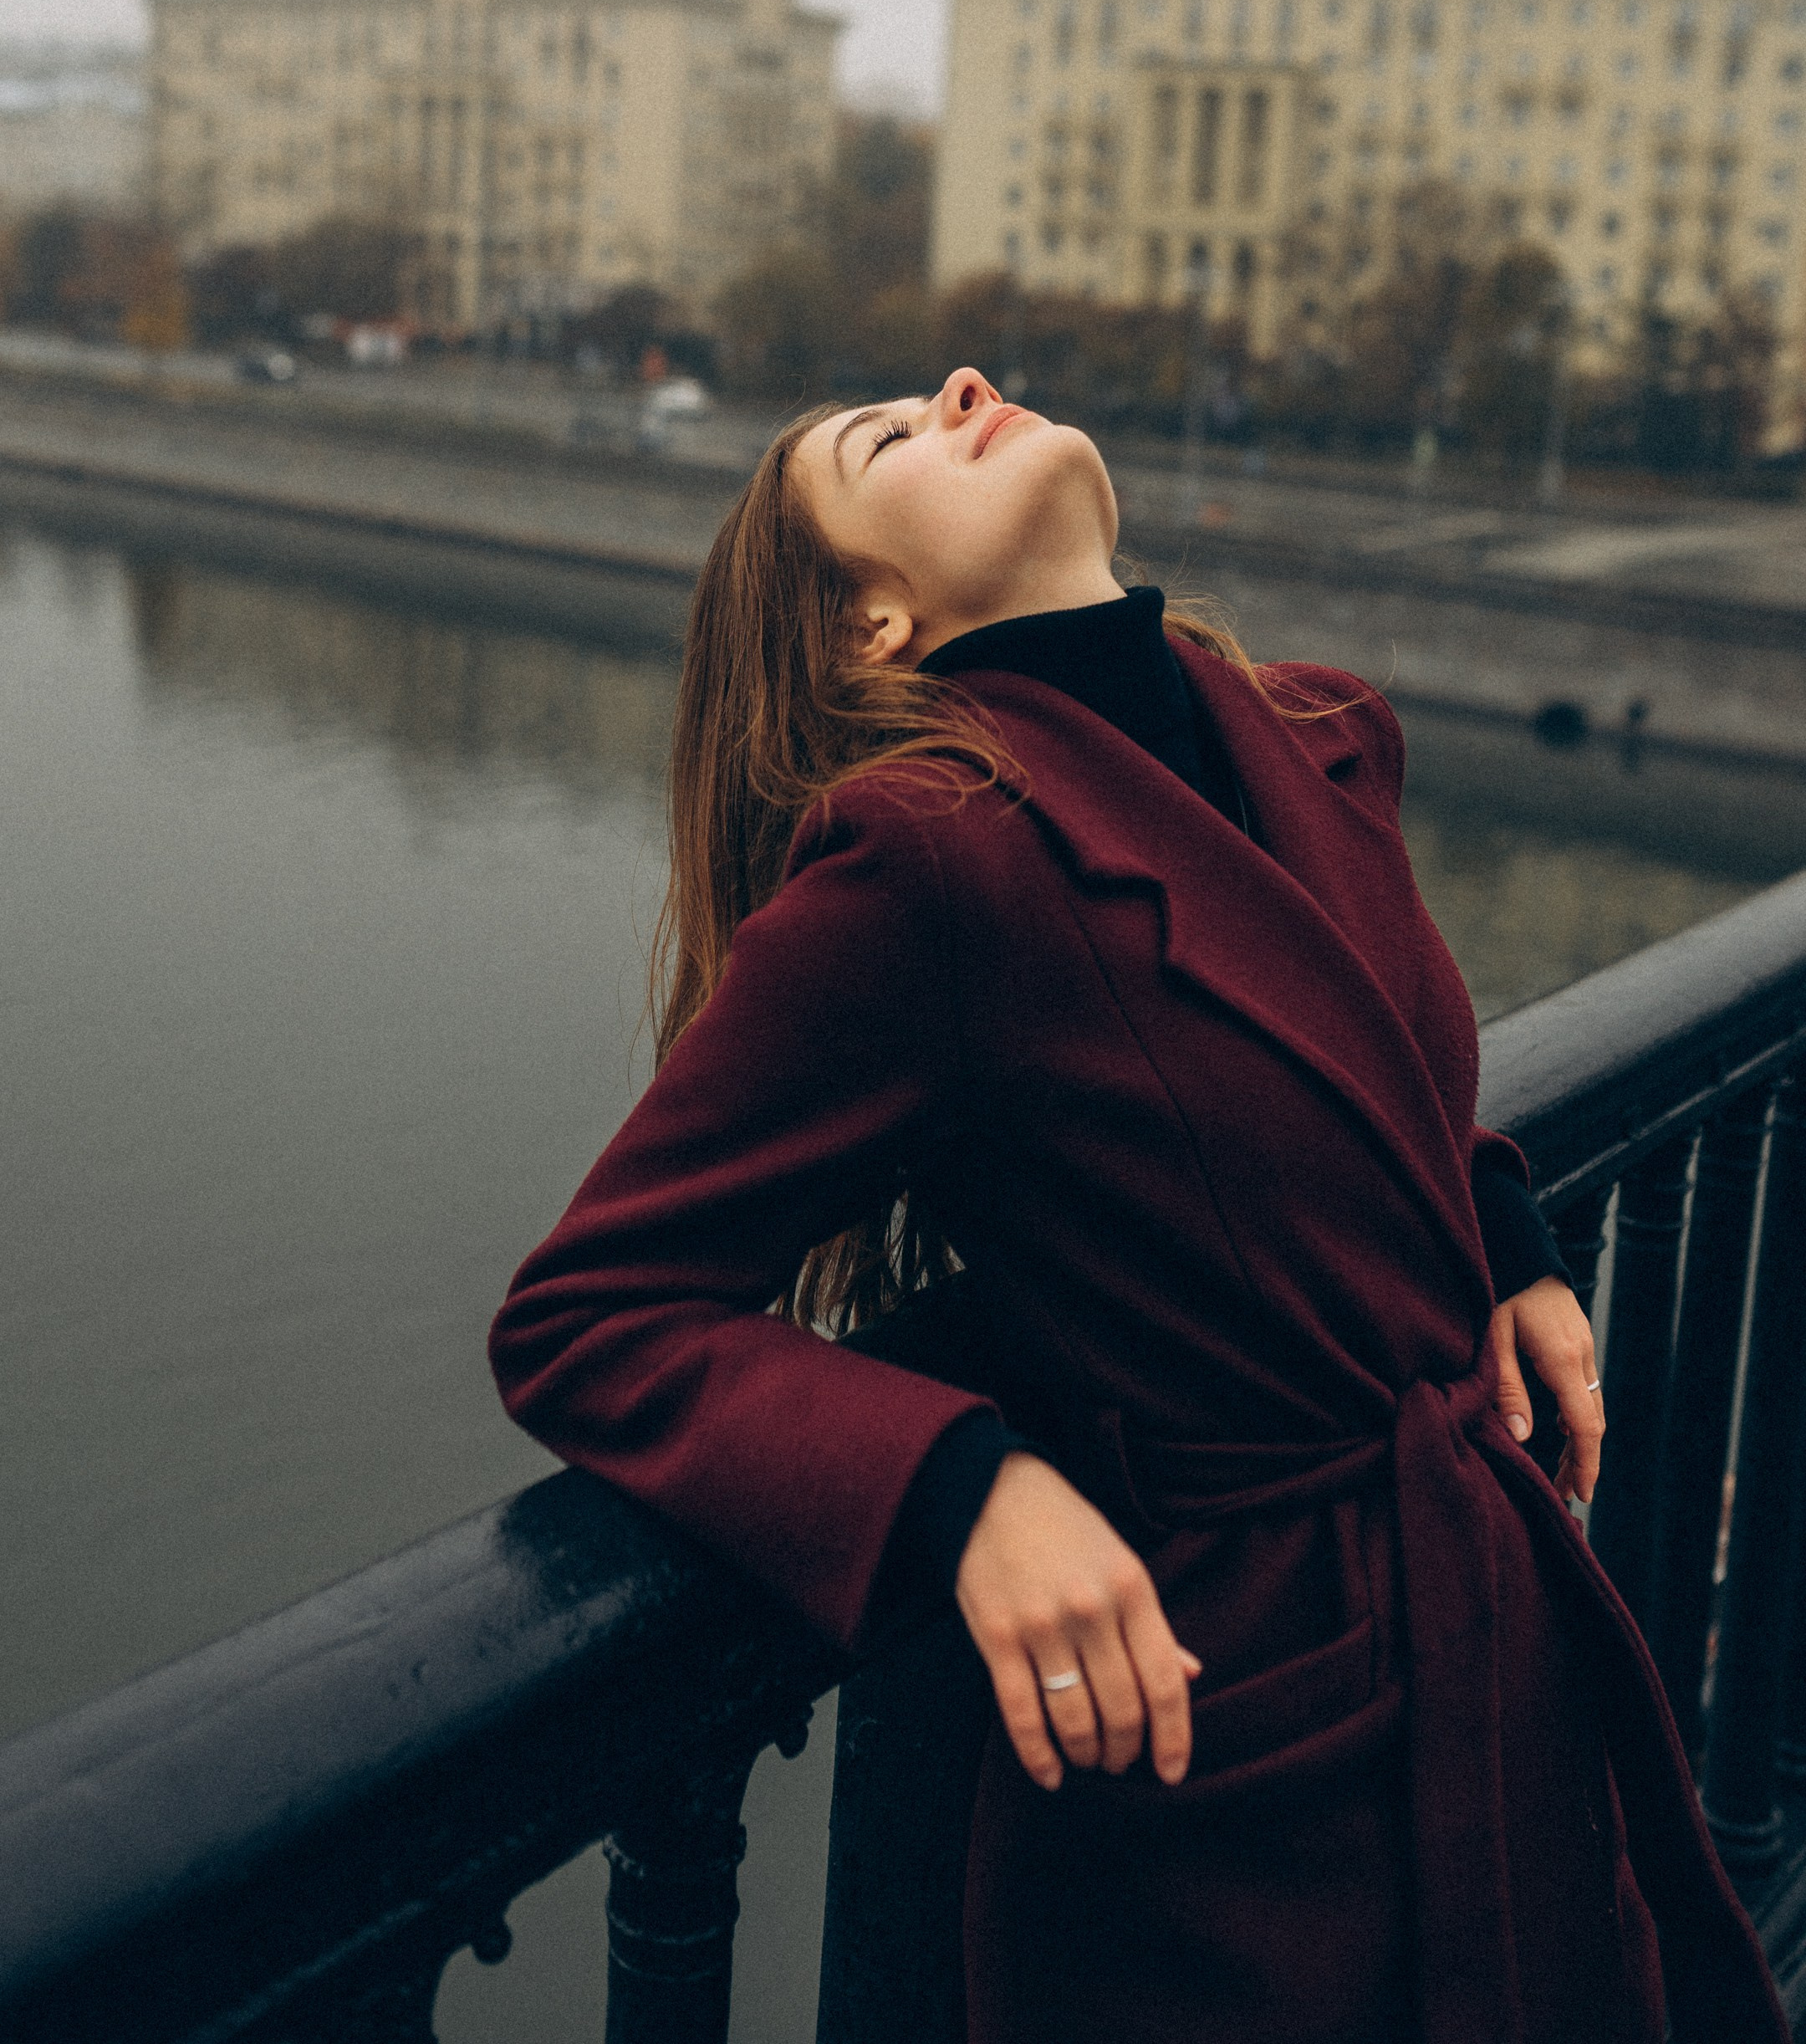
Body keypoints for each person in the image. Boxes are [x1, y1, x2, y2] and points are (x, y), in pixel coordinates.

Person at [490, 368, 1784, 2044]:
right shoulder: (926, 861)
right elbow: (589, 1314)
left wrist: (1505, 1244)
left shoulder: (1317, 738)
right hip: (1244, 1769)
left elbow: (1368, 1082)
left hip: (1492, 1645)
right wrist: (963, 1486)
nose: (961, 385)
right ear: (872, 627)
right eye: (888, 439)